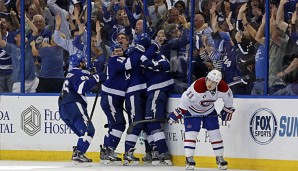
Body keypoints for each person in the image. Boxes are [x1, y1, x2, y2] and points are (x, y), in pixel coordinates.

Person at [168, 69, 235, 170]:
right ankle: (189, 158)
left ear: (218, 83)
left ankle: (220, 158)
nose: (210, 84)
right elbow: (184, 99)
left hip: (209, 111)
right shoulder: (198, 86)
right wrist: (179, 112)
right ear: (206, 78)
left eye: (213, 82)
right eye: (209, 80)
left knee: (215, 133)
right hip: (192, 111)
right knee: (191, 133)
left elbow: (229, 99)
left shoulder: (223, 87)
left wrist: (227, 109)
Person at [58, 53, 101, 166]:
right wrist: (96, 77)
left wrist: (91, 78)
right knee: (89, 130)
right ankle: (79, 154)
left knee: (82, 134)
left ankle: (78, 152)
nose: (85, 64)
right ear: (80, 63)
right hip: (73, 105)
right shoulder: (79, 72)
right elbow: (81, 88)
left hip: (63, 108)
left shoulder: (70, 74)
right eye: (84, 62)